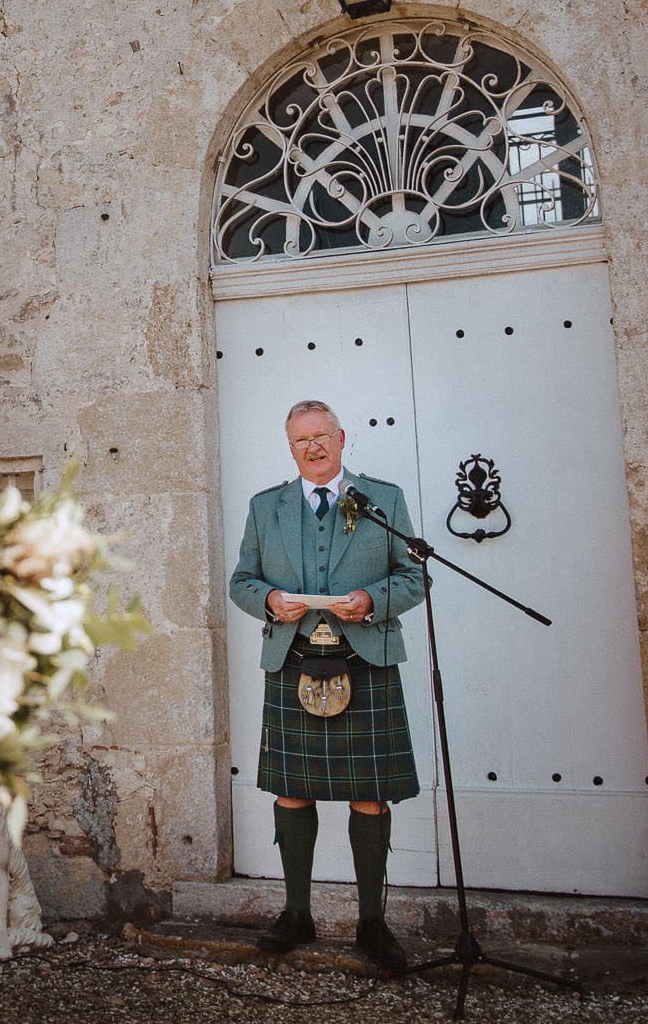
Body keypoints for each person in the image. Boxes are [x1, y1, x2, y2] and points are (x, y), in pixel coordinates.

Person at [227, 398, 425, 974]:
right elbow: (241, 581)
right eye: (299, 441)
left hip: (364, 659)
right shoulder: (267, 508)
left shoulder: (381, 500)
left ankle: (371, 921)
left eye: (321, 436)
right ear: (290, 448)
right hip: (293, 661)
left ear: (342, 438)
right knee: (292, 788)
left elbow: (414, 576)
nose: (312, 447)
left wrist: (371, 602)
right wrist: (267, 600)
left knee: (369, 791)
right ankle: (296, 914)